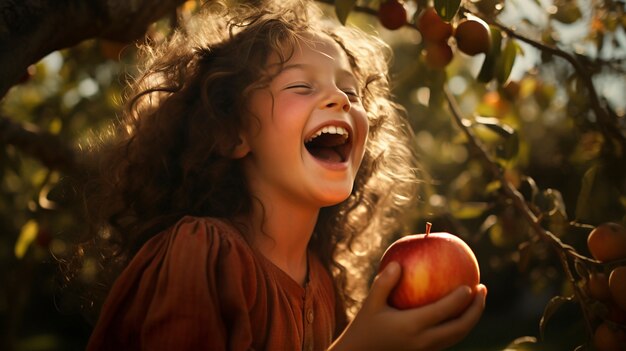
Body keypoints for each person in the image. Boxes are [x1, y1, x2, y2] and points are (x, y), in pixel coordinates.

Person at [79, 0, 487, 349]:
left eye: (352, 92)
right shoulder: (201, 253)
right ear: (232, 132)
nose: (340, 100)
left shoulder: (325, 286)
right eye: (301, 87)